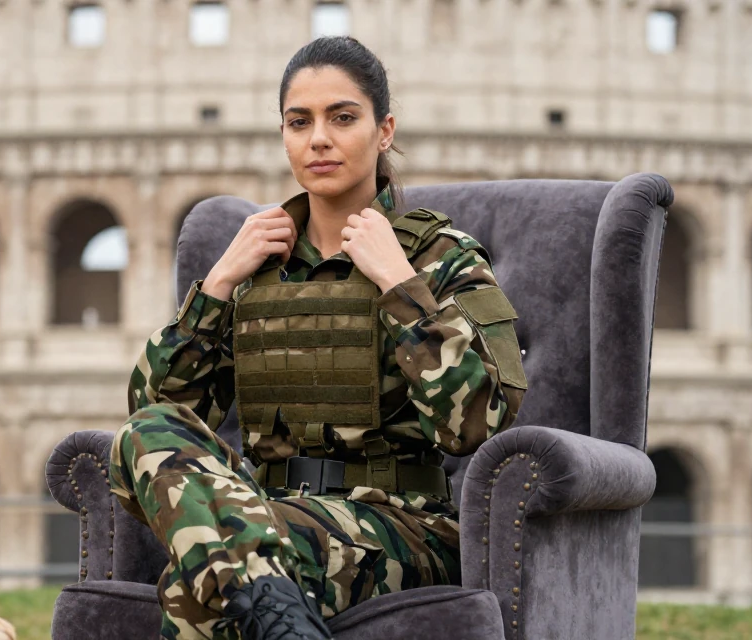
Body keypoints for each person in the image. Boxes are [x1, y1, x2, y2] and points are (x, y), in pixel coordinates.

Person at [109, 36, 528, 640]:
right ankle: (276, 608)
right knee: (143, 433)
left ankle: (260, 593)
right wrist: (220, 282)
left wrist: (399, 286)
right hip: (263, 513)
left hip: (401, 527)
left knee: (199, 581)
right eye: (298, 122)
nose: (319, 139)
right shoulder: (256, 266)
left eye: (343, 117)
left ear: (384, 131)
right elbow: (163, 413)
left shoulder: (439, 258)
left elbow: (477, 424)